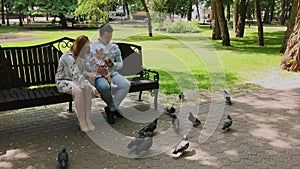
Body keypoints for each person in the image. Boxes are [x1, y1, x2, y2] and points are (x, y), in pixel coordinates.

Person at [85, 24, 130, 124]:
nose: (108, 40)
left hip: (112, 73)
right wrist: (96, 68)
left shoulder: (114, 47)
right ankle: (113, 108)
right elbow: (86, 64)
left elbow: (120, 63)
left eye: (110, 37)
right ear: (100, 35)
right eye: (106, 37)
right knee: (104, 87)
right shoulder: (92, 47)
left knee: (126, 84)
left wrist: (113, 65)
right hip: (98, 75)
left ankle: (111, 109)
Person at [55, 35, 99, 132]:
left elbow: (80, 72)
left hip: (75, 80)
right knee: (79, 91)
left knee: (86, 89)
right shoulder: (68, 57)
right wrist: (92, 87)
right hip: (63, 81)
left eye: (88, 47)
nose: (87, 50)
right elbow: (76, 76)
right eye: (86, 48)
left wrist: (88, 74)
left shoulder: (80, 57)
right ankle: (81, 121)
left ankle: (88, 119)